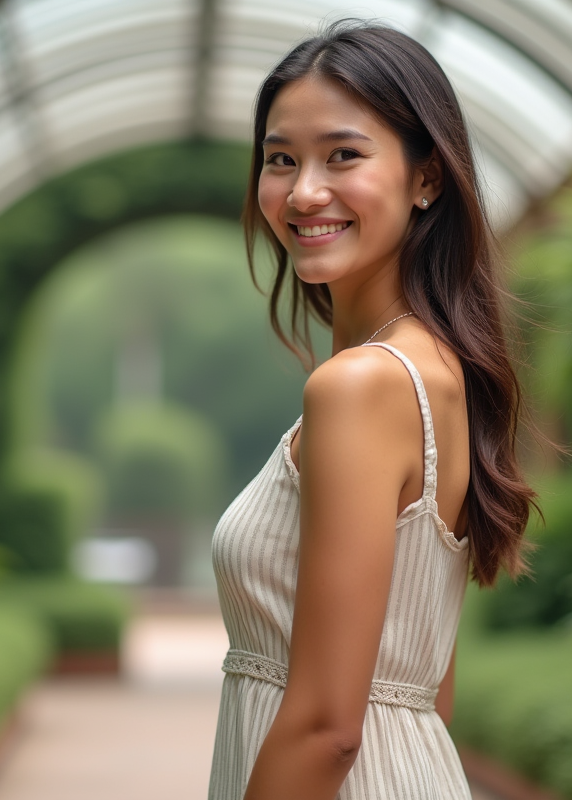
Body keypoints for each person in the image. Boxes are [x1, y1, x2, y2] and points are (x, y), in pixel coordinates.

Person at [208, 21, 537, 800]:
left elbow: (328, 729)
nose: (303, 192)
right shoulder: (437, 372)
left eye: (343, 155)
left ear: (427, 178)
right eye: (280, 159)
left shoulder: (360, 386)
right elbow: (429, 693)